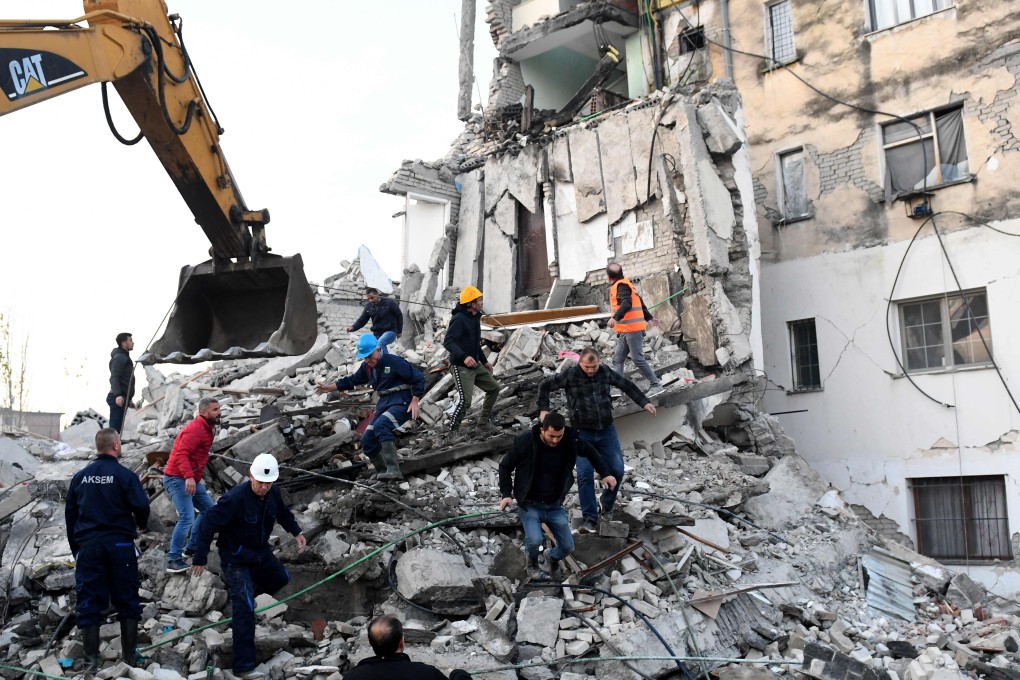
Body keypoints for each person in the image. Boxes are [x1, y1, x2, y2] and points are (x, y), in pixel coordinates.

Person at [191, 453, 306, 679]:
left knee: (281, 578)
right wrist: (200, 557)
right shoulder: (234, 499)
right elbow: (206, 524)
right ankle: (243, 666)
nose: (263, 487)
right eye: (260, 482)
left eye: (268, 483)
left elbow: (282, 513)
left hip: (260, 552)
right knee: (245, 611)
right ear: (251, 476)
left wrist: (297, 532)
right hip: (236, 558)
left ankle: (242, 598)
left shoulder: (273, 493)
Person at [537, 348, 656, 533]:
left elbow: (626, 385)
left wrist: (644, 401)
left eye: (594, 366)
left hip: (606, 431)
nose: (591, 370)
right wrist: (543, 409)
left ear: (599, 362)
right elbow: (544, 386)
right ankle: (590, 519)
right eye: (587, 367)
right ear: (580, 363)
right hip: (581, 433)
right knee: (585, 476)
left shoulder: (605, 371)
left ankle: (606, 503)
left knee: (616, 469)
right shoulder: (571, 375)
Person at [65, 428, 150, 671]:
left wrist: (76, 549)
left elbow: (70, 515)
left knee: (89, 600)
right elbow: (142, 505)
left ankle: (92, 661)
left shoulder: (81, 477)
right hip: (120, 545)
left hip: (89, 547)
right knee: (127, 600)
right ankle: (130, 658)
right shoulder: (124, 476)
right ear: (115, 445)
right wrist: (141, 525)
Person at [498, 412, 616, 580]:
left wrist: (605, 473)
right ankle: (531, 564)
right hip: (530, 503)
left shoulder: (570, 440)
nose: (555, 440)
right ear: (542, 430)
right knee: (534, 540)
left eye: (558, 436)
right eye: (551, 436)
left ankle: (551, 557)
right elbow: (505, 466)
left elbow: (591, 451)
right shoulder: (525, 442)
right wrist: (506, 495)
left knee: (568, 546)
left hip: (553, 504)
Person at [315, 334, 423, 481]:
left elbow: (418, 378)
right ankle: (383, 472)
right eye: (365, 357)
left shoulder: (394, 361)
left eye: (370, 356)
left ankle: (394, 470)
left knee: (382, 425)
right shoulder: (367, 367)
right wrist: (330, 387)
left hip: (401, 401)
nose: (368, 360)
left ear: (378, 350)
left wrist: (415, 400)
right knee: (367, 439)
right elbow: (352, 380)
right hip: (384, 403)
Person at [163, 398, 221, 573]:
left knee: (210, 511)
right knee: (187, 517)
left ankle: (192, 547)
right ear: (204, 412)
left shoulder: (208, 426)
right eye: (215, 410)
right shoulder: (195, 429)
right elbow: (181, 454)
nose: (219, 412)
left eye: (219, 408)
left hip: (190, 478)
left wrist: (193, 477)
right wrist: (189, 477)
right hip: (176, 478)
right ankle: (173, 559)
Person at [344, 614, 471, 679]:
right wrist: (458, 674)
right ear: (401, 643)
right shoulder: (427, 673)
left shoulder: (355, 675)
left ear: (372, 644)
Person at [443, 286, 499, 430]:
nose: (482, 302)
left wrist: (485, 362)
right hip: (460, 366)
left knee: (493, 388)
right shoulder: (459, 319)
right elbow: (448, 341)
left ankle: (483, 423)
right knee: (465, 401)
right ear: (471, 304)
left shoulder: (474, 318)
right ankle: (452, 431)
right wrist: (464, 357)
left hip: (475, 364)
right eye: (479, 300)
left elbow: (475, 344)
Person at [605, 263, 664, 397]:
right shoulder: (627, 285)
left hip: (632, 330)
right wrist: (649, 318)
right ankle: (616, 389)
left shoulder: (621, 287)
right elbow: (640, 303)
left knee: (637, 358)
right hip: (626, 330)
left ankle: (656, 385)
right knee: (618, 358)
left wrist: (615, 318)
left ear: (609, 277)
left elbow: (627, 303)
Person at [347, 287, 403, 353]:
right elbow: (362, 320)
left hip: (390, 331)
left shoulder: (389, 303)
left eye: (372, 298)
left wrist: (399, 331)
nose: (370, 300)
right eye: (368, 299)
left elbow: (399, 316)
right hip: (377, 333)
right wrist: (353, 327)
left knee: (380, 343)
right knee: (370, 347)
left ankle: (386, 362)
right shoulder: (368, 307)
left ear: (377, 295)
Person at [107, 332, 135, 433]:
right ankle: (109, 448)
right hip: (117, 398)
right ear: (124, 343)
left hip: (122, 398)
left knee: (117, 432)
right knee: (114, 432)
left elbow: (125, 380)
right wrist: (118, 395)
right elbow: (114, 377)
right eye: (130, 340)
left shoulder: (124, 357)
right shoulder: (120, 357)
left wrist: (129, 398)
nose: (133, 343)